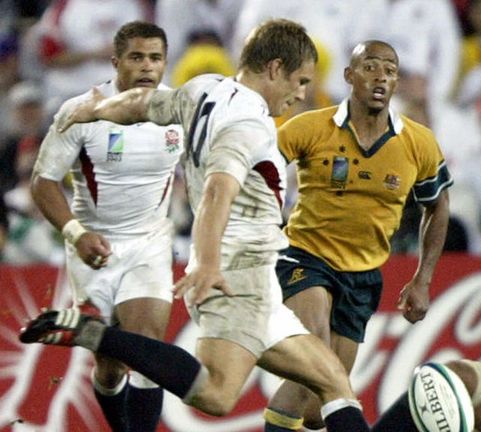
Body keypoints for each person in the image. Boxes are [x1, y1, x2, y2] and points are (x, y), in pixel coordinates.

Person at [19, 19, 370, 431]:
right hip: (235, 277)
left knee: (333, 382)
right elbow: (219, 191)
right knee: (217, 394)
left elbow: (141, 105)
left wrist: (97, 109)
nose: (302, 93)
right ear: (275, 68)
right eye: (300, 80)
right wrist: (206, 263)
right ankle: (93, 333)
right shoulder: (248, 124)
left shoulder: (207, 89)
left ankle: (95, 334)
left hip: (256, 280)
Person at [263, 40, 452, 431]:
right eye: (370, 66)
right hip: (305, 258)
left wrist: (423, 278)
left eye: (390, 69)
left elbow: (438, 206)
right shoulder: (310, 128)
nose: (381, 75)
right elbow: (255, 169)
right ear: (349, 76)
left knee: (318, 406)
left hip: (363, 276)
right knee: (314, 360)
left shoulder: (418, 143)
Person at [27, 21, 180, 431]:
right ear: (115, 62)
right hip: (95, 246)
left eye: (155, 58)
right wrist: (76, 234)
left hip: (150, 242)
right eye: (136, 57)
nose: (147, 66)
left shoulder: (178, 109)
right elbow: (43, 183)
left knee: (148, 352)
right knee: (110, 369)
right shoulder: (81, 110)